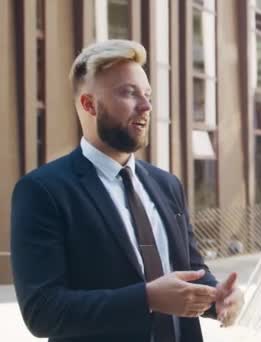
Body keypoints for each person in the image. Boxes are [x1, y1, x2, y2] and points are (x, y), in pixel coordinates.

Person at [11, 39, 243, 342]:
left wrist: (218, 298)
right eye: (128, 93)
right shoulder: (42, 191)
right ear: (89, 104)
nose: (146, 106)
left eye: (146, 94)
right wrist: (147, 299)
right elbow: (42, 312)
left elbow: (192, 270)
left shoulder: (167, 185)